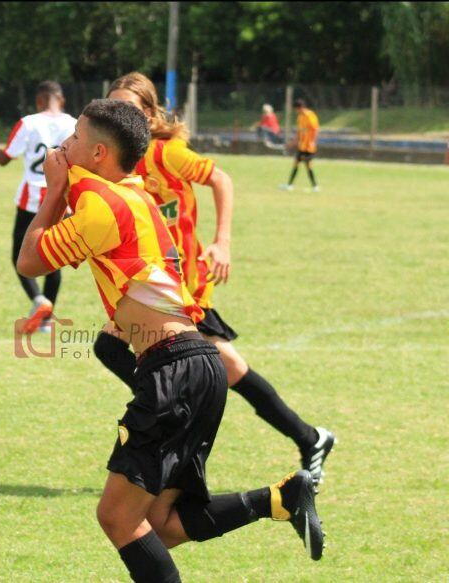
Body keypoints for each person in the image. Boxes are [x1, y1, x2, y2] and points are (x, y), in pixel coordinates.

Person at [16, 99, 324, 582]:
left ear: (98, 153)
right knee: (158, 525)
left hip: (173, 368)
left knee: (116, 518)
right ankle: (280, 499)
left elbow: (29, 262)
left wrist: (54, 190)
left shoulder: (102, 205)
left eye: (74, 137)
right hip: (199, 365)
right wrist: (68, 183)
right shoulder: (135, 192)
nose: (64, 144)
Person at [100, 72, 335, 488]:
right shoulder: (119, 160)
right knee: (225, 370)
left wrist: (222, 242)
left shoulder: (166, 152)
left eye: (130, 110)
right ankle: (308, 437)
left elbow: (220, 179)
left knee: (123, 348)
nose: (122, 117)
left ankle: (174, 420)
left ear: (151, 115)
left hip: (184, 285)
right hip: (157, 285)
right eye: (114, 108)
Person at [0, 81, 76, 333]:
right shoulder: (74, 125)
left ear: (39, 101)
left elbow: (4, 159)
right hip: (60, 199)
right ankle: (47, 321)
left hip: (31, 200)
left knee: (19, 255)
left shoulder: (28, 122)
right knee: (53, 258)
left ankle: (39, 300)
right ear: (61, 100)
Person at [280, 98, 320, 192]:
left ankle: (315, 186)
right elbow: (299, 133)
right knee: (296, 164)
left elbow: (315, 129)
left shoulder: (310, 115)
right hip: (302, 146)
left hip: (309, 147)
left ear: (301, 107)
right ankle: (290, 185)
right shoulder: (300, 117)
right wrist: (291, 144)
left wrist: (313, 141)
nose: (296, 111)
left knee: (308, 166)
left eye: (297, 109)